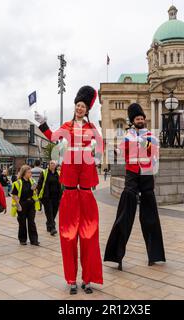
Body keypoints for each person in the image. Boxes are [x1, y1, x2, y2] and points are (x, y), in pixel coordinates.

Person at [34, 85, 103, 295]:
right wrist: (43, 123)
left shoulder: (92, 128)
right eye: (77, 105)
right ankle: (72, 279)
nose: (79, 108)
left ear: (86, 109)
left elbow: (101, 145)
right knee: (68, 236)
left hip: (86, 192)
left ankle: (88, 279)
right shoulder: (66, 126)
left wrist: (94, 153)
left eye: (83, 106)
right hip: (70, 193)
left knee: (90, 237)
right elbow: (53, 137)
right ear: (74, 107)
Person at [104, 103, 166, 271]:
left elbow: (154, 153)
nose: (140, 120)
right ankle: (116, 256)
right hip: (131, 176)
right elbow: (119, 151)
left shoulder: (151, 136)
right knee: (125, 214)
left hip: (146, 175)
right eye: (137, 119)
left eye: (141, 118)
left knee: (150, 216)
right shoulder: (127, 136)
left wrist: (145, 144)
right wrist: (112, 150)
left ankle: (155, 255)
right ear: (133, 121)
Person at [11, 165, 40, 246]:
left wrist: (35, 189)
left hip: (31, 204)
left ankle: (34, 240)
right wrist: (18, 205)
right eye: (29, 172)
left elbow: (35, 193)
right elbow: (15, 195)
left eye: (30, 172)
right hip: (22, 204)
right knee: (22, 223)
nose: (31, 173)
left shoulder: (32, 181)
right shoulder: (18, 183)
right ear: (24, 173)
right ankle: (22, 239)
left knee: (31, 222)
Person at [37, 160, 62, 236]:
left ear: (56, 165)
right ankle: (52, 228)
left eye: (54, 164)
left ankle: (48, 224)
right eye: (51, 163)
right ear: (48, 165)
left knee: (54, 212)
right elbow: (40, 184)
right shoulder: (44, 173)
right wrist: (39, 195)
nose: (52, 165)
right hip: (46, 197)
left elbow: (61, 185)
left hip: (56, 197)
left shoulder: (58, 173)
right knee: (49, 212)